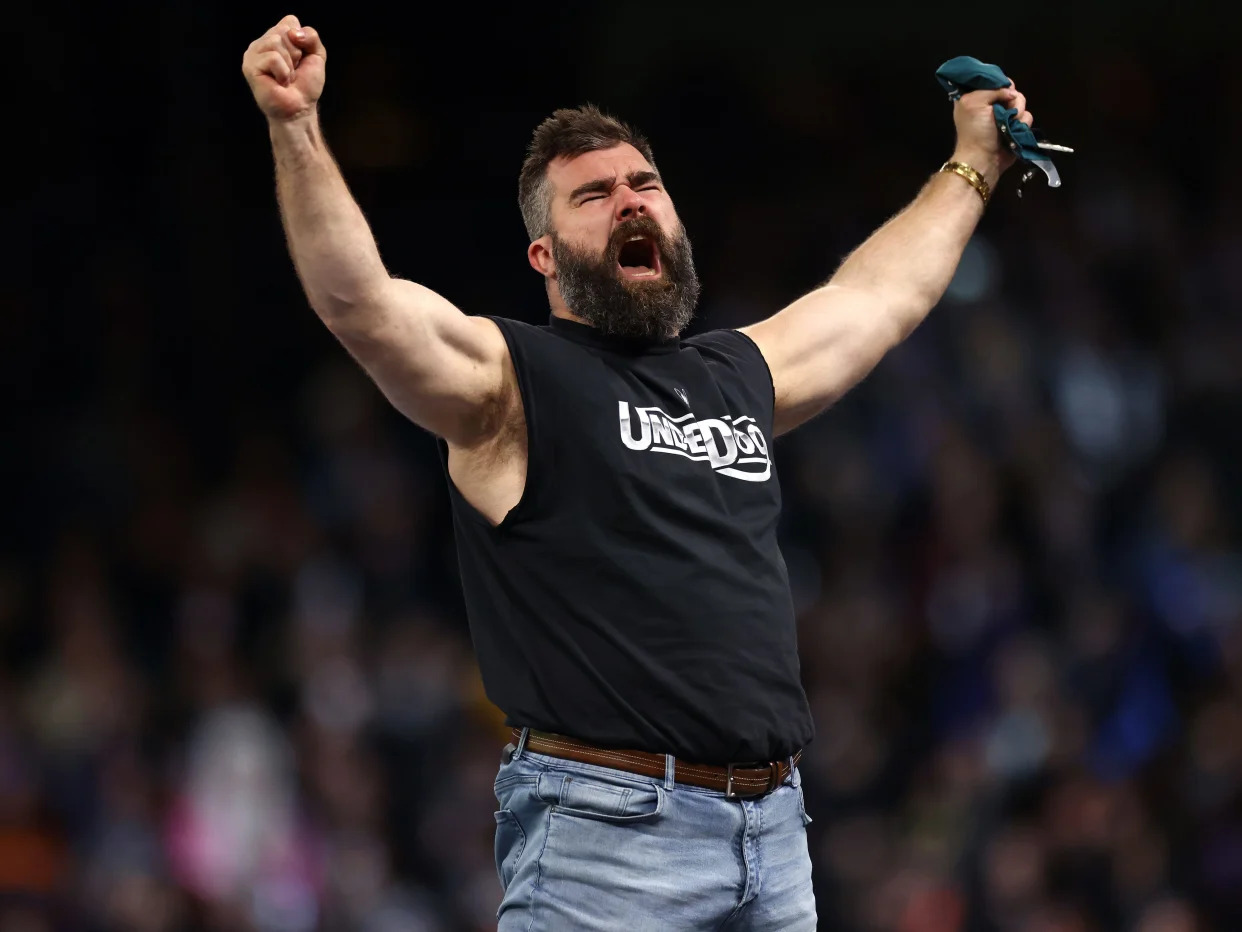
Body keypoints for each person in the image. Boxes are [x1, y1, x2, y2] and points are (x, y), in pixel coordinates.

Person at [242, 14, 1035, 930]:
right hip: (606, 844)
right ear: (543, 257)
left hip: (776, 836)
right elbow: (362, 304)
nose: (630, 200)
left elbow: (878, 299)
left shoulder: (734, 373)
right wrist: (295, 128)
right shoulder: (515, 383)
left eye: (646, 184)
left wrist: (972, 165)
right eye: (594, 195)